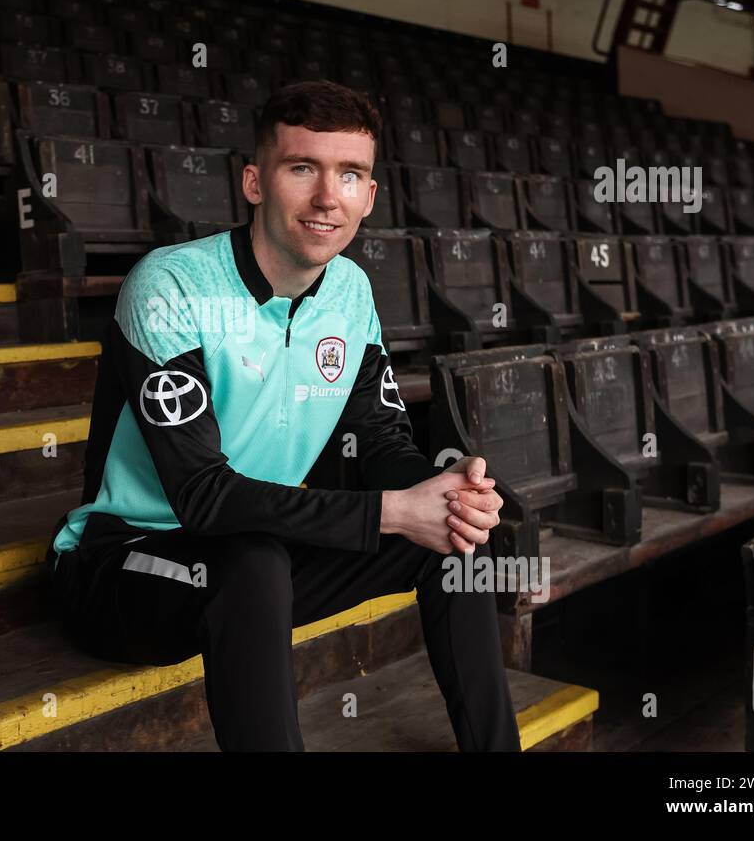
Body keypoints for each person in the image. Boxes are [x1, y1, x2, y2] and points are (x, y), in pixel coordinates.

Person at [46, 80, 520, 751]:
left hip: (257, 550)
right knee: (252, 561)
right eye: (303, 168)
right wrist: (391, 510)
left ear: (370, 195)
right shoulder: (171, 285)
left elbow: (383, 440)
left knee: (452, 538)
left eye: (350, 174)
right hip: (125, 567)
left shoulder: (350, 291)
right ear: (255, 181)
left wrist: (440, 494)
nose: (329, 197)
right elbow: (203, 497)